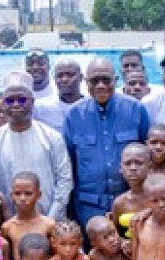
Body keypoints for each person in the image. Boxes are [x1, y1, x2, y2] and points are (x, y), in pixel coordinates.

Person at [64, 58, 150, 228]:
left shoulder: (136, 110)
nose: (101, 85)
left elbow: (148, 155)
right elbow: (69, 164)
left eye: (106, 80)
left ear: (116, 80)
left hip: (130, 203)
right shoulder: (73, 115)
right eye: (94, 81)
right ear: (86, 82)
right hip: (88, 207)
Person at [0, 71, 73, 221]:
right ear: (3, 104)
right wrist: (10, 221)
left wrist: (50, 219)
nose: (16, 105)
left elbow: (65, 180)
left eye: (22, 100)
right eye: (10, 101)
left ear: (32, 102)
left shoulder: (52, 137)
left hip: (50, 219)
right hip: (9, 222)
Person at [33, 59, 84, 133]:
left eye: (70, 75)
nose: (64, 80)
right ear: (54, 79)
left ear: (81, 78)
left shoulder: (92, 107)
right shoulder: (40, 108)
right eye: (59, 76)